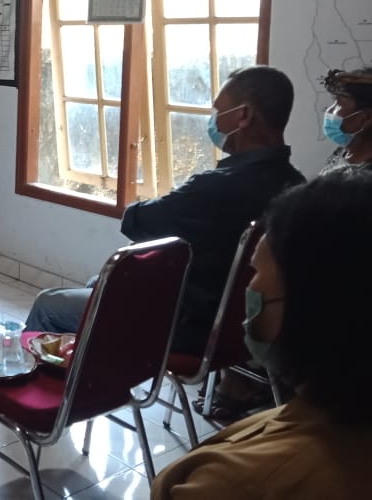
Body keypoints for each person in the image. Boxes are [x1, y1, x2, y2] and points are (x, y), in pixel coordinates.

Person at [24, 66, 304, 357]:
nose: (214, 121)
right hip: (243, 331)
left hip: (184, 327)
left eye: (218, 111)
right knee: (97, 285)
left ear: (243, 115)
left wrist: (176, 197)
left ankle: (49, 381)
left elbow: (136, 220)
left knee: (50, 304)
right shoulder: (297, 188)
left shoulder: (213, 188)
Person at [151, 168, 372, 499]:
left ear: (310, 307)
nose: (249, 289)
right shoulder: (334, 412)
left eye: (255, 273)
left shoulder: (237, 483)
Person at [319, 67, 372, 170]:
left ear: (366, 117)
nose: (329, 111)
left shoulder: (365, 177)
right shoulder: (340, 155)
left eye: (340, 103)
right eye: (334, 101)